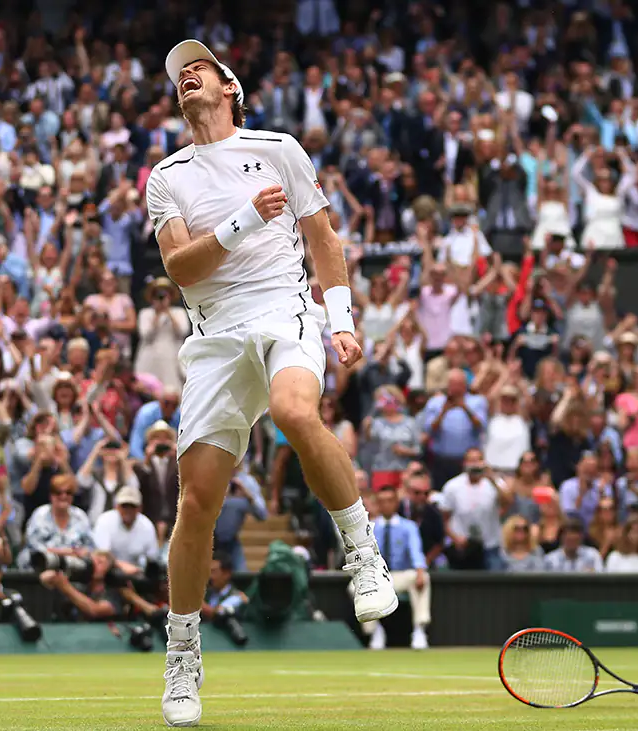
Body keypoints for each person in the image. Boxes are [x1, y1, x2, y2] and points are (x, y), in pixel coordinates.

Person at [145, 40, 394, 726]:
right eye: (178, 76)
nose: (187, 77)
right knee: (196, 503)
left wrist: (339, 318)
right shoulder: (166, 175)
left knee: (293, 409)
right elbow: (183, 270)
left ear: (230, 87)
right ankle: (184, 652)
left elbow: (324, 240)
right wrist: (245, 216)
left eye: (199, 70)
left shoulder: (279, 147)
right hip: (215, 335)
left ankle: (363, 554)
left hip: (283, 308)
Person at [358, 486, 431, 650]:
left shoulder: (409, 527)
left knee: (422, 578)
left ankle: (419, 630)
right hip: (379, 577)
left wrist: (420, 571)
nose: (386, 505)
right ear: (377, 504)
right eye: (382, 501)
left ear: (396, 503)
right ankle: (375, 630)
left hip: (401, 576)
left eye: (390, 501)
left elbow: (416, 552)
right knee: (354, 586)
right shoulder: (370, 528)